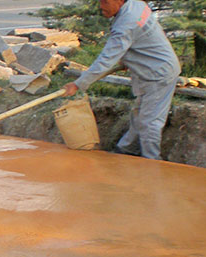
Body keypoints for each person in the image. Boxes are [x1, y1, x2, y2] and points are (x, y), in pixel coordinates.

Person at [63, 0, 181, 160]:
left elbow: (105, 60)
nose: (100, 6)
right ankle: (126, 149)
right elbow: (142, 36)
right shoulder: (137, 5)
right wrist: (128, 57)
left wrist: (78, 84)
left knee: (150, 121)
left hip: (158, 74)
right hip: (150, 69)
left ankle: (152, 162)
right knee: (139, 114)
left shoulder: (126, 24)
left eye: (105, 1)